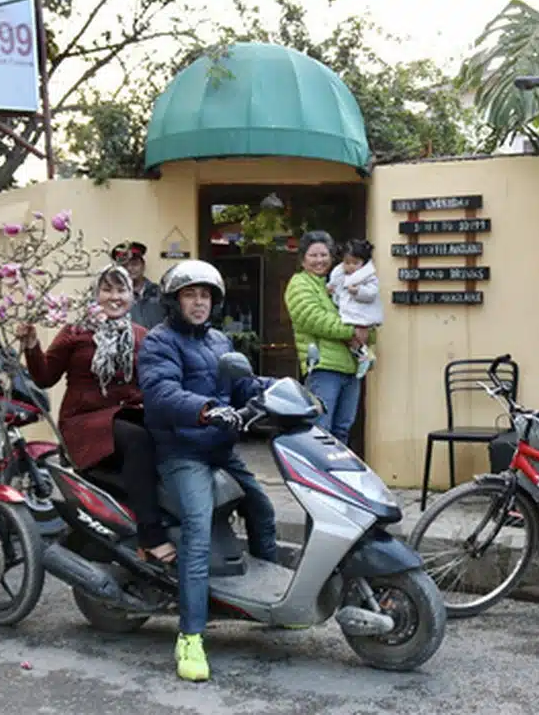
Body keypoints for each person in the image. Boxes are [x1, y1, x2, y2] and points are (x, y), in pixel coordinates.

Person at [138, 259, 279, 683]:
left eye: (205, 295)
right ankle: (190, 635)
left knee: (263, 509)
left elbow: (243, 385)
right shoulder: (160, 342)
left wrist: (281, 391)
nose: (198, 302)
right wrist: (204, 410)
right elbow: (161, 391)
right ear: (174, 300)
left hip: (220, 447)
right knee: (198, 533)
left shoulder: (220, 341)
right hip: (183, 450)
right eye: (190, 295)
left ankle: (266, 602)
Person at [15, 264, 173, 564]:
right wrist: (32, 345)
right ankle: (151, 536)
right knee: (138, 440)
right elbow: (45, 376)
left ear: (132, 296)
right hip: (85, 422)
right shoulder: (76, 332)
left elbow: (154, 383)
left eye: (121, 290)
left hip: (125, 416)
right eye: (107, 290)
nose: (115, 297)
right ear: (95, 294)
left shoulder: (141, 335)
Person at [284, 230, 368, 445]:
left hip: (351, 367)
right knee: (321, 431)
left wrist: (367, 331)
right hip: (323, 367)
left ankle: (338, 477)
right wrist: (352, 331)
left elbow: (362, 316)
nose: (319, 260)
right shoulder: (299, 284)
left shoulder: (335, 284)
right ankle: (317, 477)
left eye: (324, 255)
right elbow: (314, 319)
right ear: (303, 259)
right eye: (313, 255)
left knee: (342, 430)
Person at [327, 238, 383, 379]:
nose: (351, 266)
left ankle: (365, 356)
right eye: (347, 262)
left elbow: (372, 293)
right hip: (349, 313)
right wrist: (332, 289)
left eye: (355, 263)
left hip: (362, 314)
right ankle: (363, 356)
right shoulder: (341, 274)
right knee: (351, 339)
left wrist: (358, 291)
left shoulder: (368, 276)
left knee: (358, 335)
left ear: (363, 263)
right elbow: (338, 289)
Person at [112, 240, 164, 329]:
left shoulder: (160, 293)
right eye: (124, 265)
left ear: (143, 265)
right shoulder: (114, 297)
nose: (129, 268)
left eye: (134, 264)